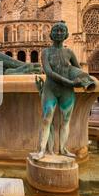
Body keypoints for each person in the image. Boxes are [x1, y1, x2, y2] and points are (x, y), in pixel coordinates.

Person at [34, 21, 96, 160]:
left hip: (67, 92)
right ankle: (43, 150)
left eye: (62, 31)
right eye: (56, 30)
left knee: (66, 120)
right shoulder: (46, 52)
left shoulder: (69, 52)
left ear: (66, 34)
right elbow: (49, 72)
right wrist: (70, 82)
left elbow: (78, 69)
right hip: (51, 89)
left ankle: (62, 149)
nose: (59, 33)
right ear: (51, 34)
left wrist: (83, 79)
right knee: (46, 119)